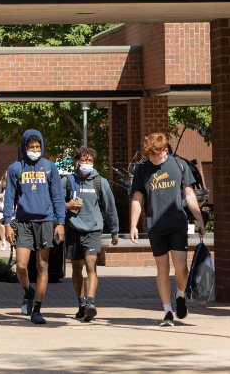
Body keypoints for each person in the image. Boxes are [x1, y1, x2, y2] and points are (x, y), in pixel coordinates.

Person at [129, 132, 206, 327]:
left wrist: (199, 218)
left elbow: (188, 193)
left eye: (155, 154)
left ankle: (180, 295)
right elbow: (137, 198)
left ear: (165, 150)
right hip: (155, 225)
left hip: (177, 224)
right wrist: (133, 225)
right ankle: (167, 311)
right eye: (149, 155)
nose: (152, 158)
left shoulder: (178, 164)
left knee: (181, 267)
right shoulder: (142, 169)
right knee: (162, 269)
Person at [3, 129, 65, 325]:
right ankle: (27, 291)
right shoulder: (15, 168)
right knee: (21, 265)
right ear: (24, 148)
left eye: (38, 147)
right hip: (23, 222)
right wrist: (7, 223)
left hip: (46, 221)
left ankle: (37, 309)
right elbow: (9, 197)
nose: (35, 150)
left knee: (43, 266)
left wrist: (60, 222)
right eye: (31, 147)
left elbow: (58, 197)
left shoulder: (50, 167)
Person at [63, 145, 119, 322]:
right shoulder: (67, 181)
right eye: (84, 160)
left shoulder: (99, 182)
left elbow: (110, 207)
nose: (87, 163)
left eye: (90, 161)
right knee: (77, 269)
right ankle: (81, 304)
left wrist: (115, 231)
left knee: (90, 265)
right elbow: (55, 203)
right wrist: (68, 206)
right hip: (73, 230)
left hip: (93, 230)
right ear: (77, 161)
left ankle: (90, 303)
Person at [0, 178, 9, 250]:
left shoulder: (14, 182)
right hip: (1, 207)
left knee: (11, 225)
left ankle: (10, 242)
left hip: (11, 208)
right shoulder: (1, 183)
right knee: (1, 224)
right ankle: (3, 241)